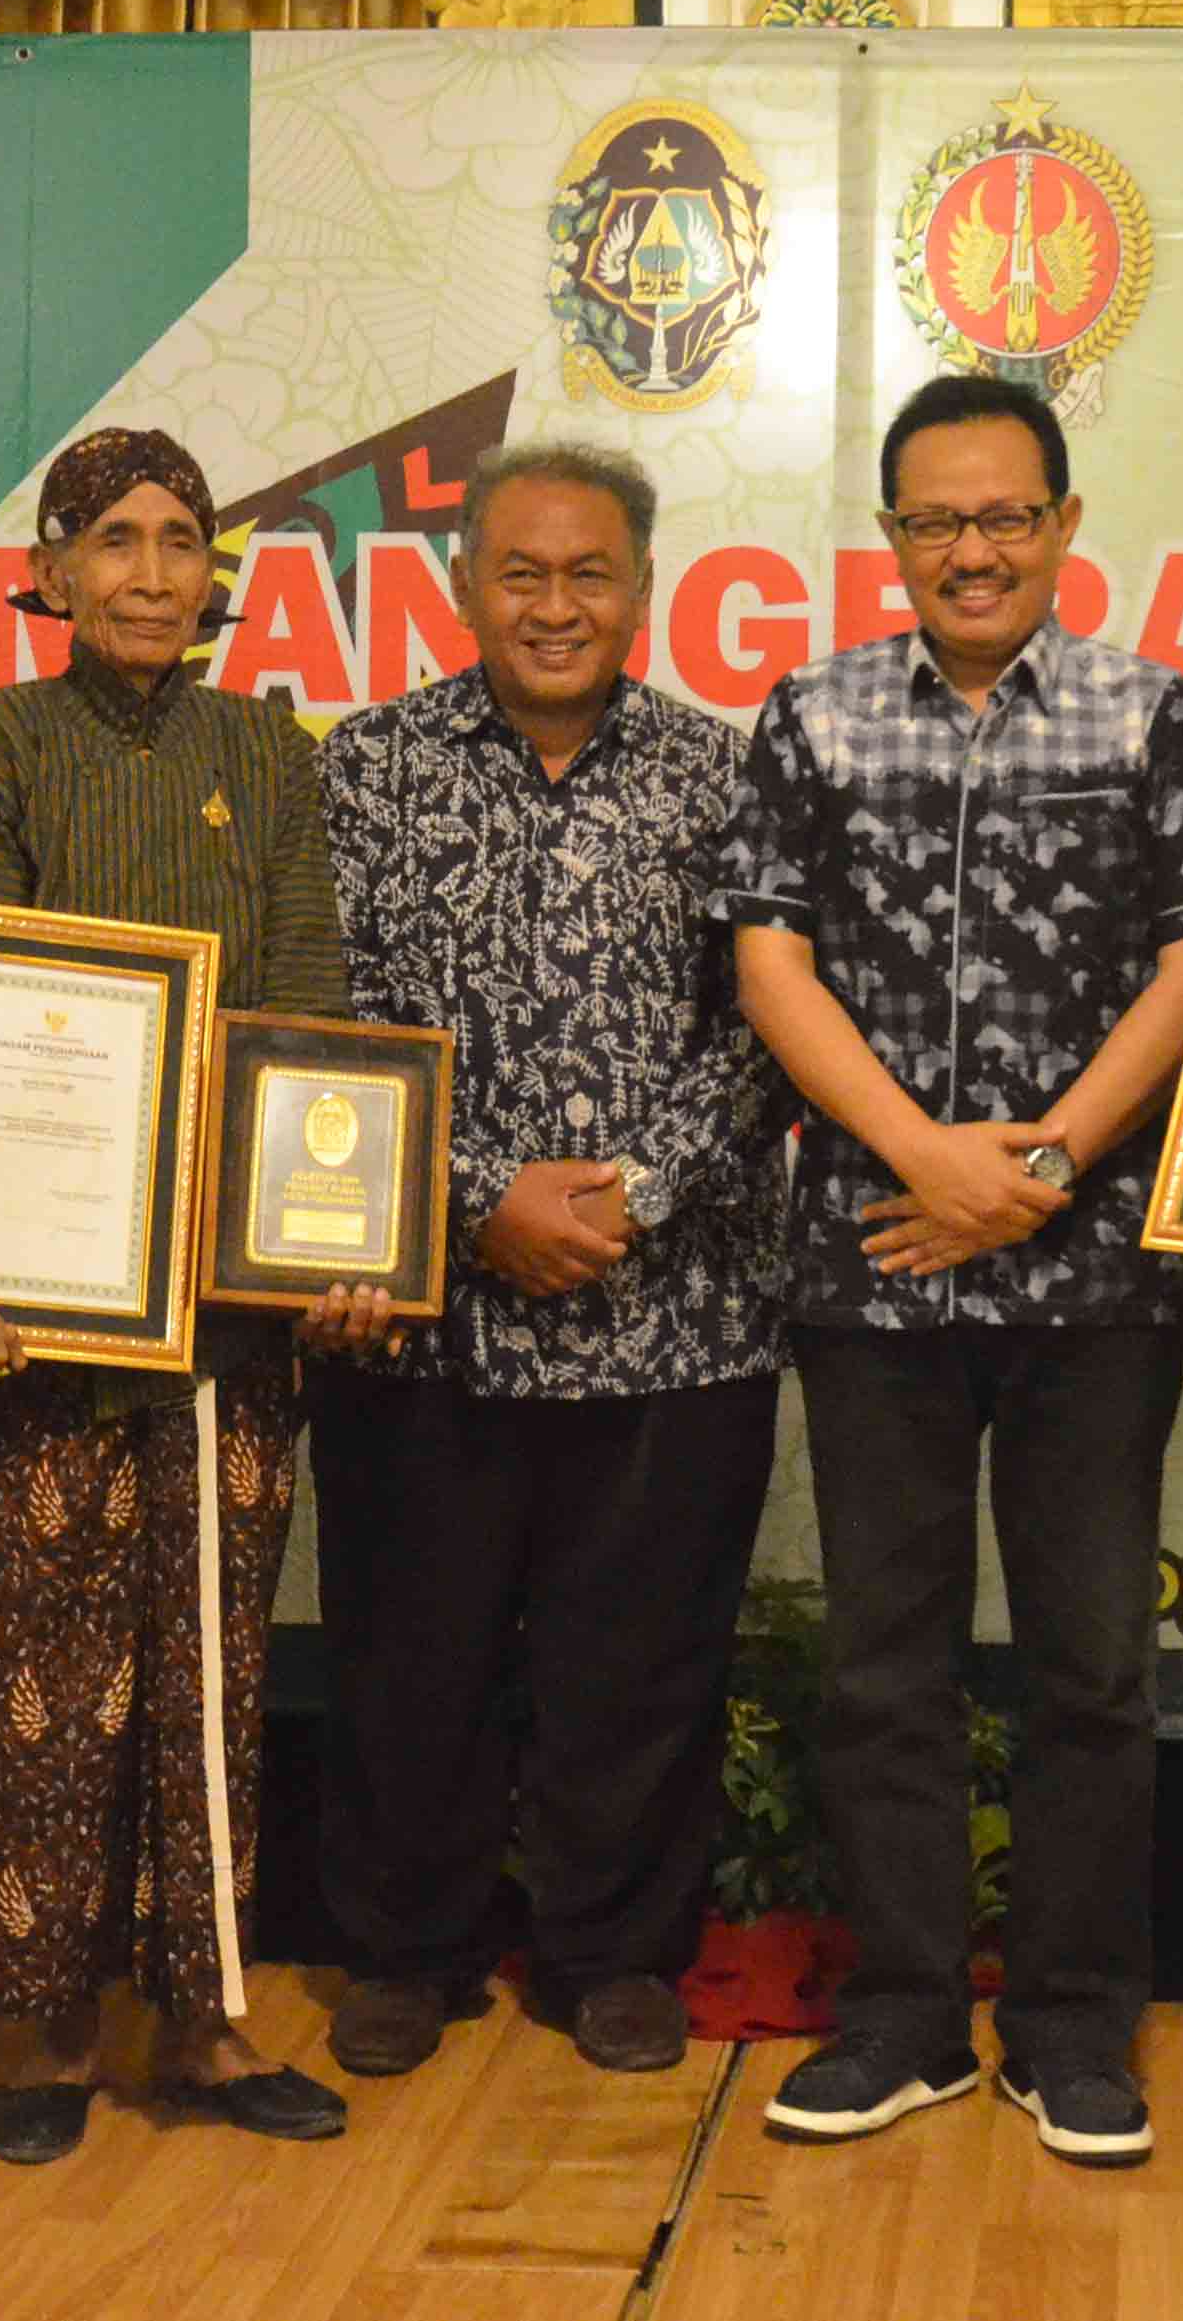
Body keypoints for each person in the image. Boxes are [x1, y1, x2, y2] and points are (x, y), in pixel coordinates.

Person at [722, 372, 1183, 2166]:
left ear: (1064, 525)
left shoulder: (1151, 712)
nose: (972, 549)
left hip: (1094, 1274)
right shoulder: (809, 715)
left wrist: (1034, 1165)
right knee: (886, 1662)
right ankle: (904, 2016)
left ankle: (1077, 2028)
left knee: (1093, 1666)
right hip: (874, 1262)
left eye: (1005, 515)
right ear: (889, 540)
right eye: (935, 520)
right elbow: (770, 963)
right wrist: (932, 1158)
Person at [0, 425, 386, 2162]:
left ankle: (208, 2019)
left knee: (211, 1669)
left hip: (223, 1315)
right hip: (34, 1309)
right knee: (40, 1671)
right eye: (111, 537)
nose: (149, 570)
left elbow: (309, 1005)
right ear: (47, 567)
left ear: (213, 573)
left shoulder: (265, 751)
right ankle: (48, 2032)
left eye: (180, 539)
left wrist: (324, 1247)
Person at [309, 443, 790, 2078]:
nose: (554, 603)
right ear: (461, 585)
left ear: (643, 588)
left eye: (589, 572)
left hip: (676, 1316)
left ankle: (613, 1952)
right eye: (521, 571)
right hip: (423, 1316)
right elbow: (331, 1020)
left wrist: (628, 1198)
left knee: (638, 1662)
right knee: (409, 1653)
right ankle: (405, 1949)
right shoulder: (360, 769)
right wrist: (472, 1197)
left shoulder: (732, 778)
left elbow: (769, 1033)